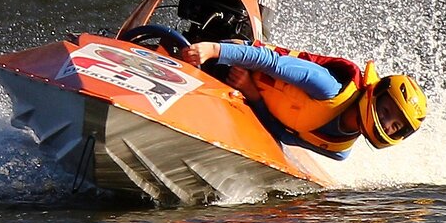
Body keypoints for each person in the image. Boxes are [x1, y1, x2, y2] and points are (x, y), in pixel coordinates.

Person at [182, 41, 427, 160]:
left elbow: (284, 134)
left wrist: (252, 93)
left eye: (394, 127)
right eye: (386, 112)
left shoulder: (339, 151)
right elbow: (269, 61)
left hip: (244, 93)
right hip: (234, 58)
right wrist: (214, 49)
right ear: (376, 95)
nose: (385, 125)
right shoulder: (327, 87)